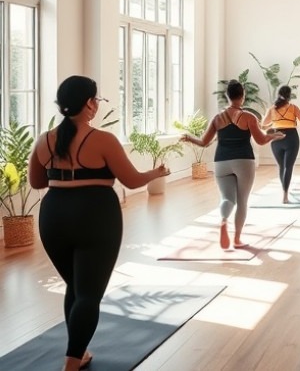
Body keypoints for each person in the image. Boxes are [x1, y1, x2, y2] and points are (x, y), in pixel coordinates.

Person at [28, 75, 171, 371]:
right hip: (96, 215)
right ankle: (71, 362)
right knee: (89, 294)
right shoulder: (103, 139)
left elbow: (37, 182)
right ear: (89, 104)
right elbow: (131, 181)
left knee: (76, 287)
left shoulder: (45, 140)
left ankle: (79, 353)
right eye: (97, 99)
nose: (97, 104)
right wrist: (155, 174)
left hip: (54, 216)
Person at [182, 80, 284, 245]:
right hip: (244, 161)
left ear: (227, 96)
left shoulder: (217, 118)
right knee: (242, 201)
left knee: (227, 199)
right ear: (242, 96)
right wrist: (273, 135)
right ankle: (237, 239)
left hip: (221, 162)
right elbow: (261, 140)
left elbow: (204, 142)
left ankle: (223, 221)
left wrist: (189, 138)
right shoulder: (249, 117)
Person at [260, 86, 300, 202]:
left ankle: (284, 192)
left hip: (276, 138)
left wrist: (274, 123)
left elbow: (263, 125)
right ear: (289, 95)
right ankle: (285, 195)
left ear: (279, 94)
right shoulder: (294, 108)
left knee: (282, 167)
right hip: (291, 138)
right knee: (288, 167)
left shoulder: (272, 109)